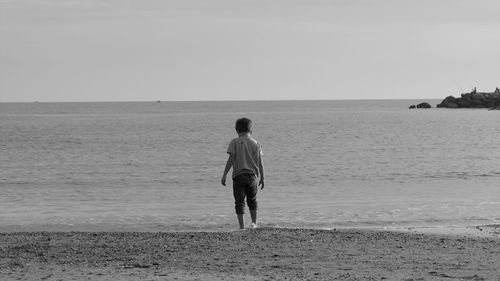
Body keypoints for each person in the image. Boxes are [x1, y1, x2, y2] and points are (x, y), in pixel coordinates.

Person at [221, 117, 265, 229]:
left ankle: (242, 226)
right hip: (252, 177)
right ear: (251, 130)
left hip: (238, 176)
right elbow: (260, 163)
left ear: (236, 130)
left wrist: (224, 174)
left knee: (239, 201)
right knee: (253, 200)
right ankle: (254, 223)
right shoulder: (256, 143)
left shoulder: (234, 142)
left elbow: (231, 160)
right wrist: (263, 178)